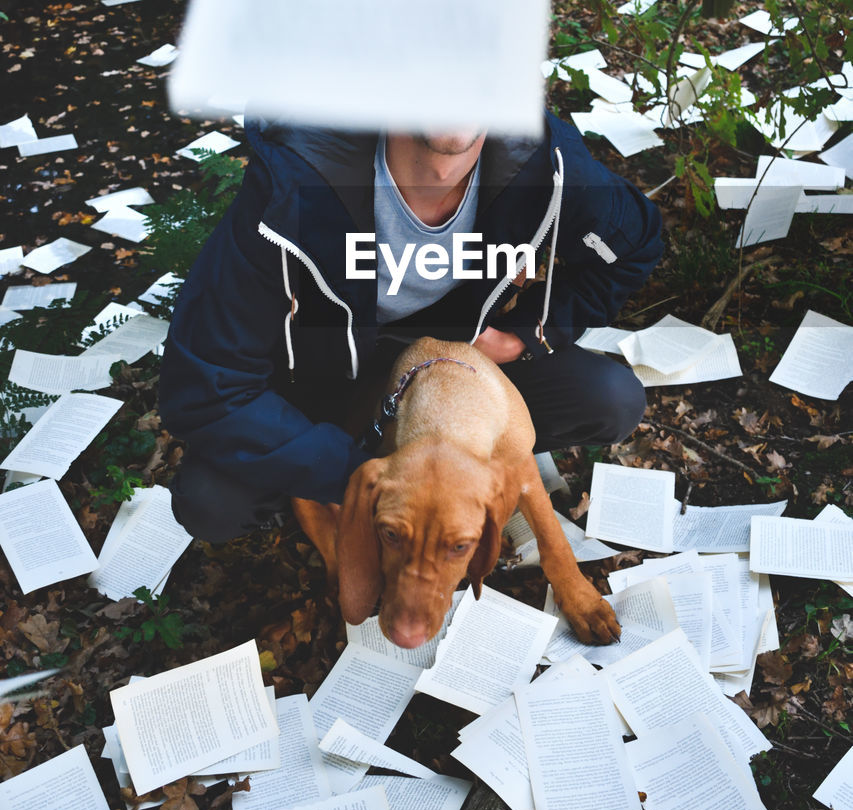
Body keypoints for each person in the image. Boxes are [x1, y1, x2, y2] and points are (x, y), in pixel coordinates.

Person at [159, 111, 663, 542]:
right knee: (211, 501)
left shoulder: (539, 162)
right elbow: (207, 385)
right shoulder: (297, 180)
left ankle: (449, 469)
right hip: (319, 382)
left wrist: (526, 335)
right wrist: (366, 479)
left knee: (609, 397)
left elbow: (636, 243)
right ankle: (321, 497)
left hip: (452, 363)